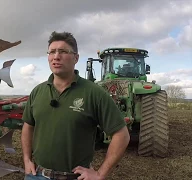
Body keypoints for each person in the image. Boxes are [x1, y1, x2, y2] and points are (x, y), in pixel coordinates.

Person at [21, 31, 130, 180]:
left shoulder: (94, 93)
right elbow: (28, 126)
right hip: (37, 175)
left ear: (76, 58)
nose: (56, 56)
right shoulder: (38, 92)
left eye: (63, 51)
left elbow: (121, 135)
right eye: (52, 52)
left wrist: (100, 174)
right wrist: (27, 159)